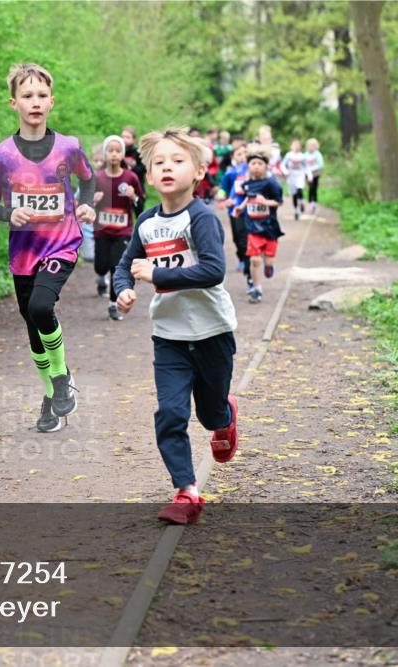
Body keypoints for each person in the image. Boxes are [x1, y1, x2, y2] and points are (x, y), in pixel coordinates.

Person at [113, 128, 239, 526]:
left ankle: (225, 418)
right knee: (170, 412)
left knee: (210, 412)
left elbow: (214, 271)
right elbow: (125, 264)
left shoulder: (201, 217)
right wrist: (124, 289)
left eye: (178, 160)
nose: (167, 167)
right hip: (168, 337)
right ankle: (186, 491)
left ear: (199, 171)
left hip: (211, 333)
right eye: (159, 162)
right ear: (149, 176)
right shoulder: (147, 222)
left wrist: (158, 276)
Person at [0, 63, 96, 433]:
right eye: (27, 96)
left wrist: (88, 204)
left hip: (62, 243)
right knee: (32, 327)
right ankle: (51, 397)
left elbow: (88, 182)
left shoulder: (69, 147)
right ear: (14, 103)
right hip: (23, 253)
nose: (35, 102)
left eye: (42, 95)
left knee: (42, 306)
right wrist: (9, 214)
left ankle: (61, 380)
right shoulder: (2, 155)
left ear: (52, 101)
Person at [92, 135, 145, 320]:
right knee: (100, 265)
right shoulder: (97, 177)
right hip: (101, 230)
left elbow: (141, 204)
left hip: (122, 231)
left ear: (123, 154)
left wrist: (134, 198)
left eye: (117, 150)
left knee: (117, 266)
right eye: (110, 150)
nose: (114, 154)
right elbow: (84, 206)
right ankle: (100, 277)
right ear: (105, 153)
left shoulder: (130, 177)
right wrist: (93, 200)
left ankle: (114, 304)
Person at [232, 144, 284, 304]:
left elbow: (279, 202)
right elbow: (249, 197)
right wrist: (240, 207)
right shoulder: (247, 184)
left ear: (266, 166)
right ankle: (256, 289)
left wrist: (266, 202)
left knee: (267, 261)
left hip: (269, 228)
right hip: (253, 228)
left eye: (259, 164)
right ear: (249, 166)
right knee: (255, 260)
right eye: (253, 164)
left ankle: (269, 267)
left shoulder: (271, 184)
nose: (256, 167)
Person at [217, 144, 252, 291]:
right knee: (237, 238)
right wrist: (223, 200)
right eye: (239, 154)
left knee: (245, 238)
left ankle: (249, 266)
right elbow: (223, 189)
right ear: (233, 157)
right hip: (234, 210)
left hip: (249, 210)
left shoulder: (252, 170)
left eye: (245, 153)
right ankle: (242, 258)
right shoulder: (230, 173)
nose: (242, 156)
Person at [280, 139, 308, 222]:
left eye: (297, 145)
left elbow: (306, 167)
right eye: (294, 145)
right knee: (294, 194)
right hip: (291, 176)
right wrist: (286, 172)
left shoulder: (302, 156)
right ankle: (296, 211)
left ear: (300, 146)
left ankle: (301, 202)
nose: (296, 146)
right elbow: (282, 165)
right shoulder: (288, 155)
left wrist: (309, 175)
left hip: (300, 175)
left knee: (300, 191)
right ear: (291, 146)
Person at [121, 126, 147, 196]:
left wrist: (132, 168)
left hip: (137, 184)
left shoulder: (138, 153)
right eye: (123, 137)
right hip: (122, 184)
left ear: (133, 139)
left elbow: (143, 169)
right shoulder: (119, 151)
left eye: (127, 137)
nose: (124, 139)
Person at [304, 138, 324, 216]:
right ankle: (310, 204)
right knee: (310, 188)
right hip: (308, 175)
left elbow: (320, 164)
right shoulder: (305, 154)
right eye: (309, 145)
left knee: (314, 189)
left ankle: (314, 204)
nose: (311, 146)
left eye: (312, 145)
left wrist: (312, 169)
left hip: (315, 174)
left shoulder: (318, 154)